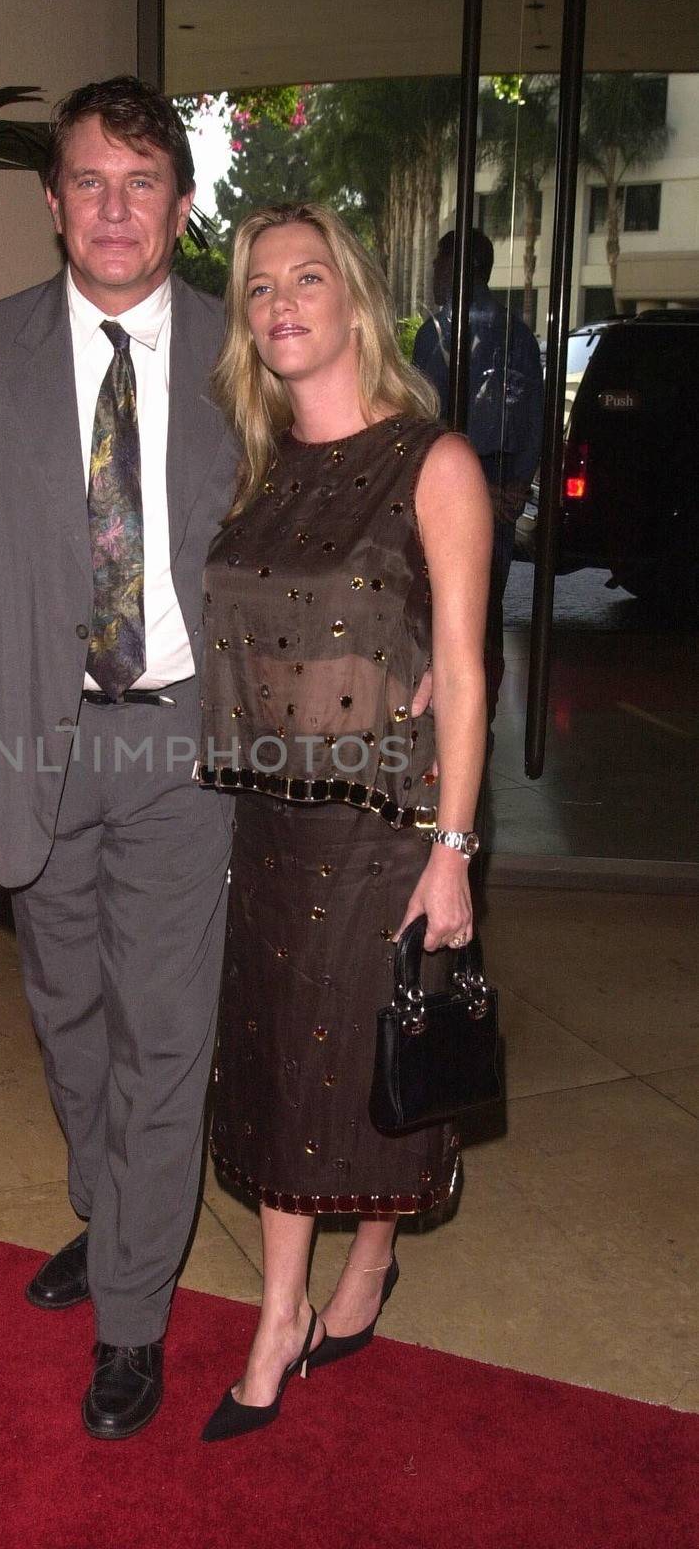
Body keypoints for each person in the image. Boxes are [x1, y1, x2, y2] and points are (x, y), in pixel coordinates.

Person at [0, 76, 240, 1439]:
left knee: (165, 1037)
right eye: (89, 181)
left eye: (140, 182)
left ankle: (135, 1317)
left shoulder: (235, 355)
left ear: (178, 205)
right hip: (24, 749)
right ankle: (112, 1214)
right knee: (67, 1019)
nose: (113, 207)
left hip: (187, 749)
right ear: (51, 202)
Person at [195, 203, 491, 1441]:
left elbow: (469, 670)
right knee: (279, 1066)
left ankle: (336, 1284)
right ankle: (297, 1299)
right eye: (259, 288)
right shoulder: (261, 473)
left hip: (387, 822)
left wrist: (456, 850)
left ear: (355, 302)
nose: (281, 303)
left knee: (363, 1064)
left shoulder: (436, 461)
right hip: (271, 821)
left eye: (306, 278)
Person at [412, 229, 542, 711]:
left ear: (457, 269)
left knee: (444, 613)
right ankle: (479, 721)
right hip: (502, 488)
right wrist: (514, 486)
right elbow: (535, 421)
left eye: (438, 264)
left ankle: (451, 720)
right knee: (486, 612)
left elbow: (421, 425)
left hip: (452, 491)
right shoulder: (519, 334)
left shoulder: (440, 333)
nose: (432, 275)